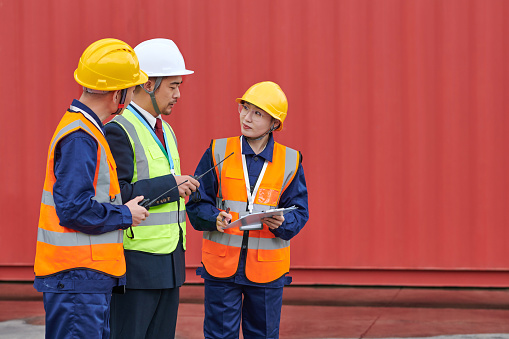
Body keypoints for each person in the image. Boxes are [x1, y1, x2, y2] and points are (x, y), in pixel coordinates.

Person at [33, 38, 150, 339]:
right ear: (118, 93)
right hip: (77, 278)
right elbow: (73, 208)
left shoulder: (84, 131)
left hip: (83, 279)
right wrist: (125, 214)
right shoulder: (81, 138)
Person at [186, 81, 309, 339]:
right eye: (245, 109)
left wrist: (283, 223)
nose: (246, 117)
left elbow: (299, 211)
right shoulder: (218, 150)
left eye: (257, 113)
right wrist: (213, 218)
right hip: (221, 269)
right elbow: (197, 201)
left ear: (275, 123)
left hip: (267, 272)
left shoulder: (290, 160)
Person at [104, 38, 199, 339]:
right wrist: (173, 185)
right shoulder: (117, 130)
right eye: (172, 86)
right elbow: (115, 196)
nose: (178, 94)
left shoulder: (166, 129)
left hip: (169, 264)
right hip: (136, 266)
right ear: (147, 84)